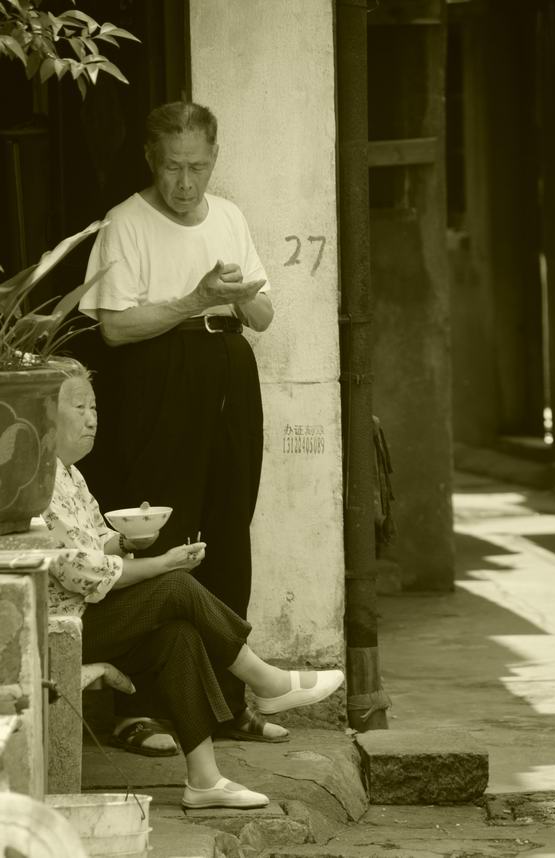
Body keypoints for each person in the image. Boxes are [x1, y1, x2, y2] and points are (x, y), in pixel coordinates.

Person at [43, 365, 344, 809]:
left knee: (178, 637)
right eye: (80, 407)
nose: (92, 419)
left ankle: (204, 780)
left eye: (95, 408)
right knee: (175, 587)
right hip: (58, 630)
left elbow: (95, 541)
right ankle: (265, 680)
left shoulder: (70, 474)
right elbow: (86, 574)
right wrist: (161, 562)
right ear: (46, 415)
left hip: (90, 617)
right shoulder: (37, 478)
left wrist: (127, 541)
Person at [78, 100, 278, 745]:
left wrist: (238, 295)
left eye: (196, 167)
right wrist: (194, 300)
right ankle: (144, 709)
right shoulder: (124, 224)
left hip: (228, 374)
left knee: (227, 528)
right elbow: (111, 327)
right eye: (171, 167)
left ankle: (230, 704)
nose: (185, 182)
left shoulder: (231, 216)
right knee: (157, 534)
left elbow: (267, 316)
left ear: (215, 159)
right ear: (150, 160)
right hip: (157, 380)